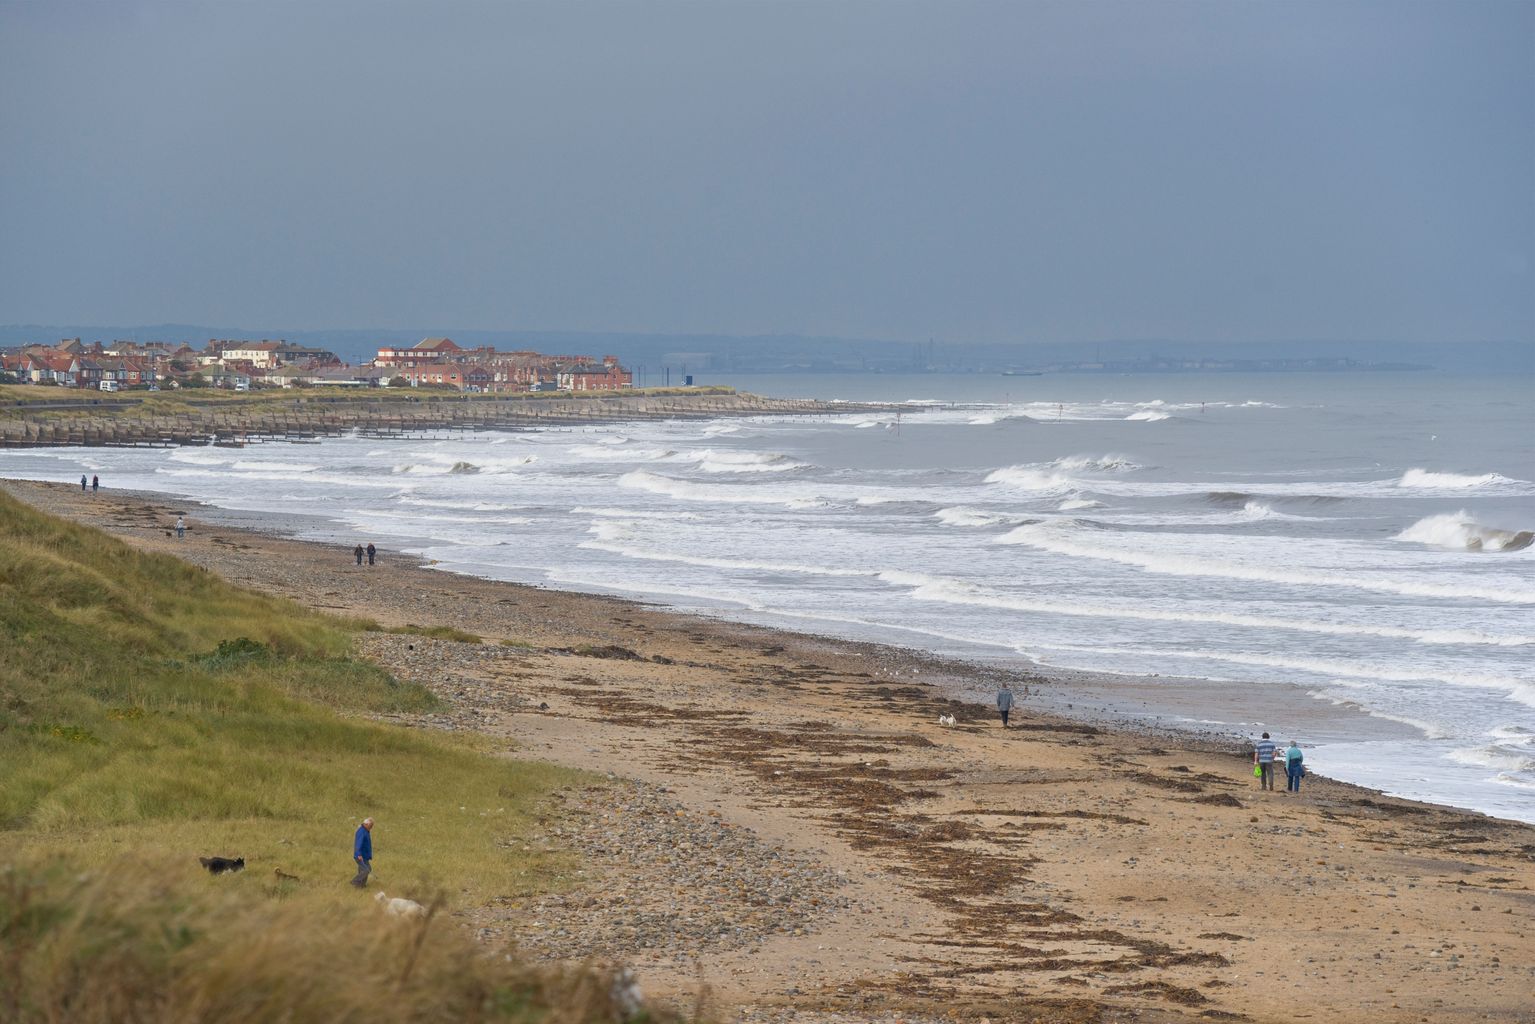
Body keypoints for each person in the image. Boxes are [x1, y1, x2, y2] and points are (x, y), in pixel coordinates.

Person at [351, 817, 374, 887]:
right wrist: (358, 854)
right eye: (370, 826)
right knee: (366, 870)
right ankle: (355, 881)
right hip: (360, 856)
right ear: (366, 824)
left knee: (364, 870)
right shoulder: (361, 832)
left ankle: (361, 885)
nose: (371, 828)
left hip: (364, 856)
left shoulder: (365, 831)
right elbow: (358, 843)